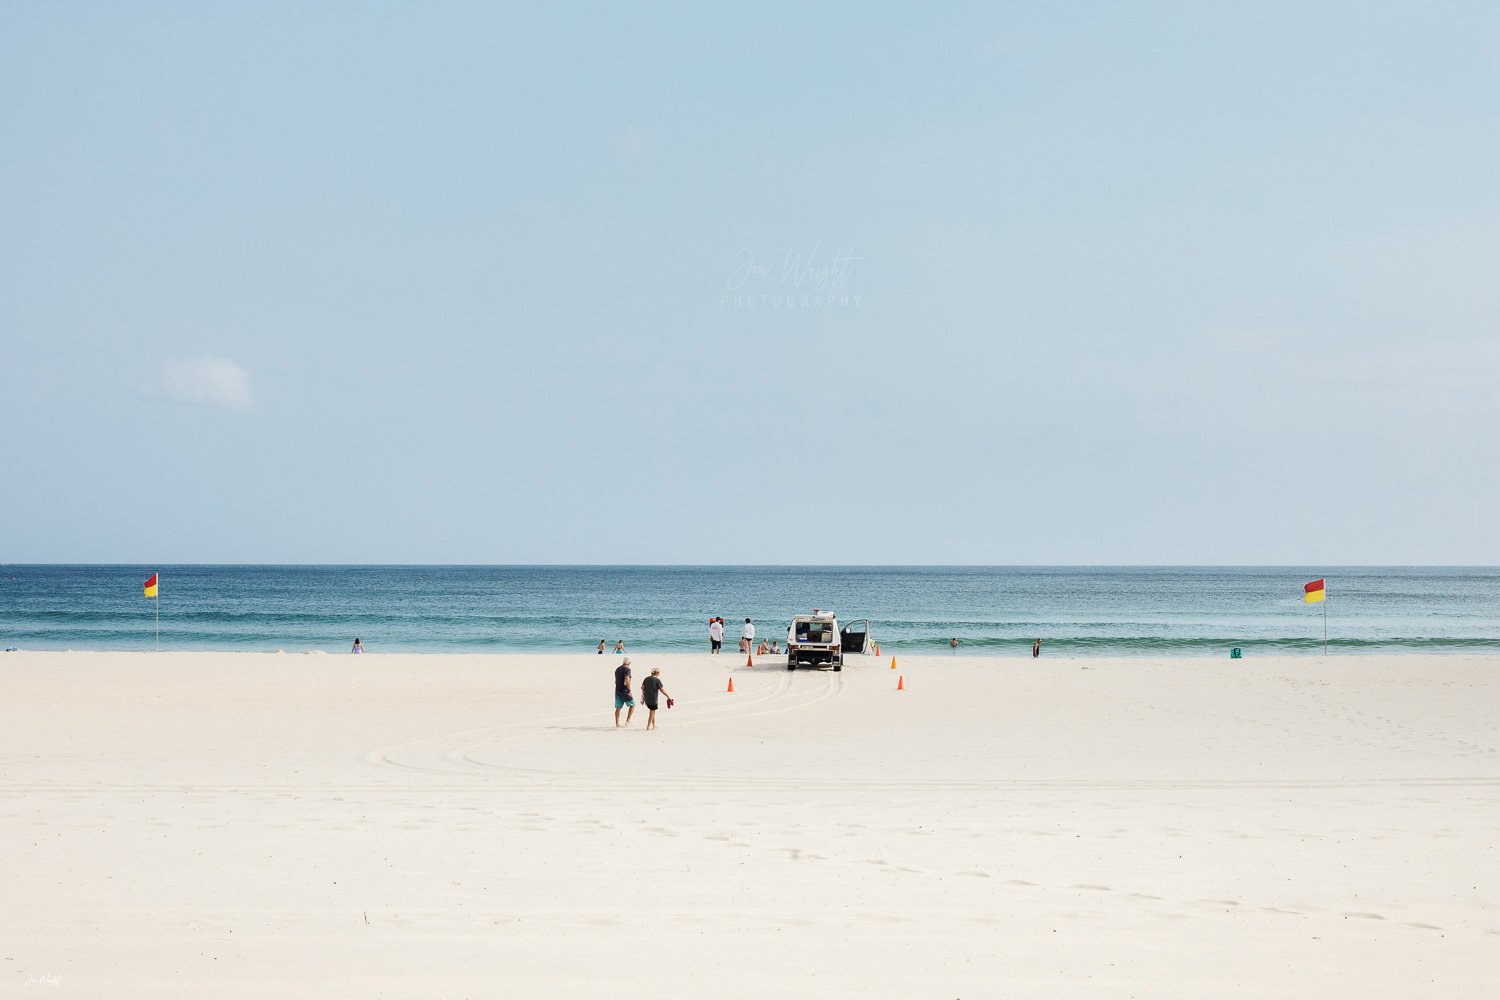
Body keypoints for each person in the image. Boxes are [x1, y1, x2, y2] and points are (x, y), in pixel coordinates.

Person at [614, 658, 635, 727]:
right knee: (633, 705)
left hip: (617, 690)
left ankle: (617, 724)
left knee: (618, 707)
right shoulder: (628, 669)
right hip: (624, 690)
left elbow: (615, 680)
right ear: (629, 663)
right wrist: (629, 690)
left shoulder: (617, 669)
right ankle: (627, 721)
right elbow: (627, 679)